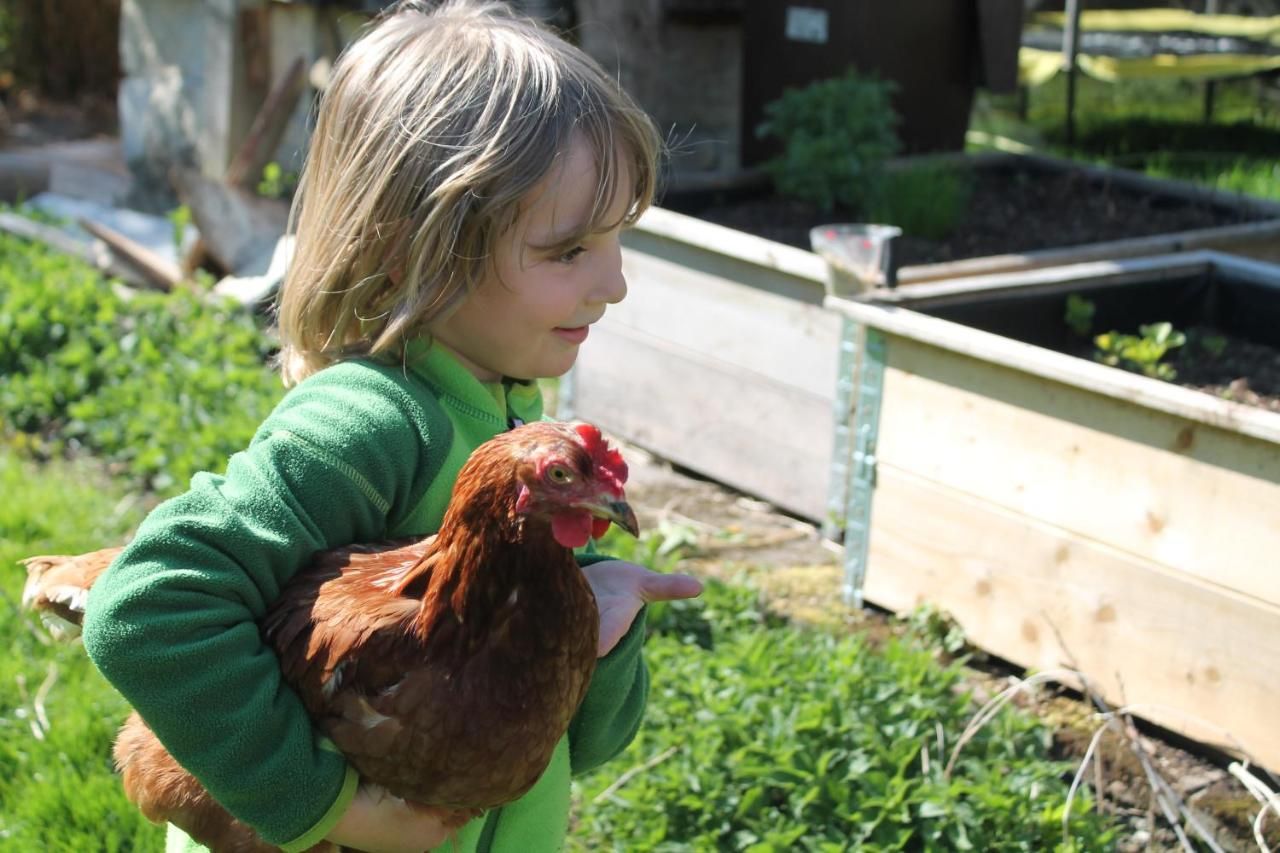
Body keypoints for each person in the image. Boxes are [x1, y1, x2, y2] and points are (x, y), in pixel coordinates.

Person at [81, 2, 702, 851]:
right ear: (424, 249)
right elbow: (147, 607)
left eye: (616, 241)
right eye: (569, 251)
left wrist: (598, 624)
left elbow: (580, 743)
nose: (615, 284)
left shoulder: (517, 424)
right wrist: (333, 807)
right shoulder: (368, 422)